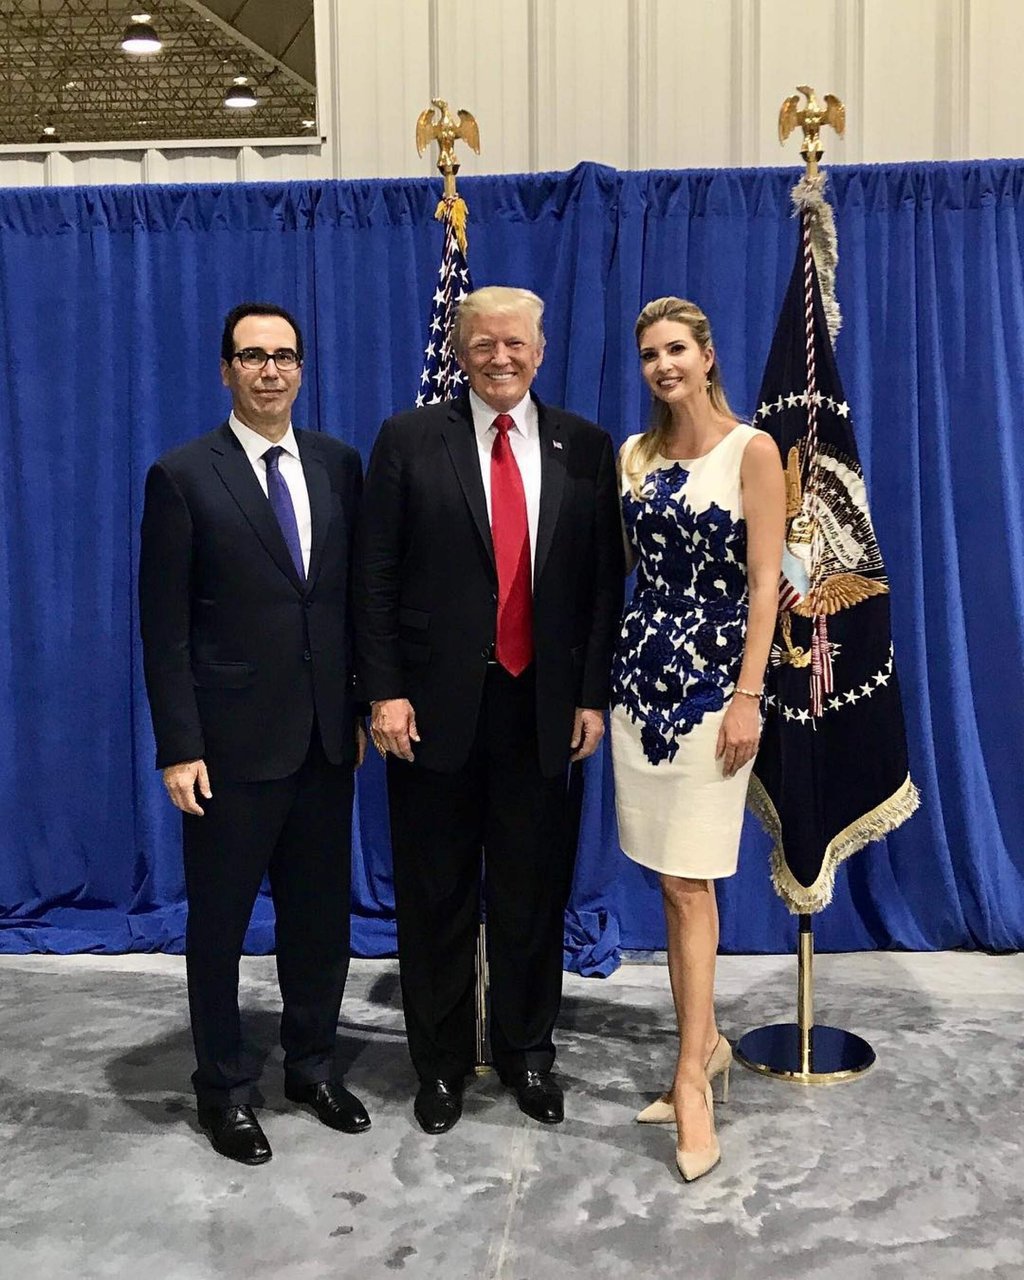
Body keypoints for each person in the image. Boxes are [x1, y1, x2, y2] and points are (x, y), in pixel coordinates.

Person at [354, 285, 623, 1134]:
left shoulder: (584, 446)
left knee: (531, 894)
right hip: (430, 713)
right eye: (483, 345)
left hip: (543, 708)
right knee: (434, 894)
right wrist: (384, 692)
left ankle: (526, 1053)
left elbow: (601, 587)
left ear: (541, 351)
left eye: (515, 344)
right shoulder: (407, 439)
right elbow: (376, 577)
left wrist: (590, 696)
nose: (500, 359)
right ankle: (437, 1066)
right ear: (460, 351)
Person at [138, 302, 369, 1166]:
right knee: (221, 926)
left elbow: (349, 600)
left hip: (324, 741)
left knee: (319, 921)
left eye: (284, 356)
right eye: (252, 357)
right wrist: (178, 745)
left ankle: (311, 1066)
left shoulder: (340, 466)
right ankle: (225, 1090)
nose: (270, 370)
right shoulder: (183, 475)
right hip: (228, 750)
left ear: (302, 369)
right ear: (226, 370)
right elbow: (163, 629)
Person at [610, 297, 785, 1182]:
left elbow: (765, 585)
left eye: (676, 348)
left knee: (690, 880)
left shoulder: (753, 451)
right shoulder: (632, 456)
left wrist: (751, 692)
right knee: (666, 875)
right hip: (640, 688)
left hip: (718, 692)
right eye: (648, 354)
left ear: (709, 356)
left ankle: (689, 1076)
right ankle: (705, 1043)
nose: (663, 365)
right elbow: (625, 571)